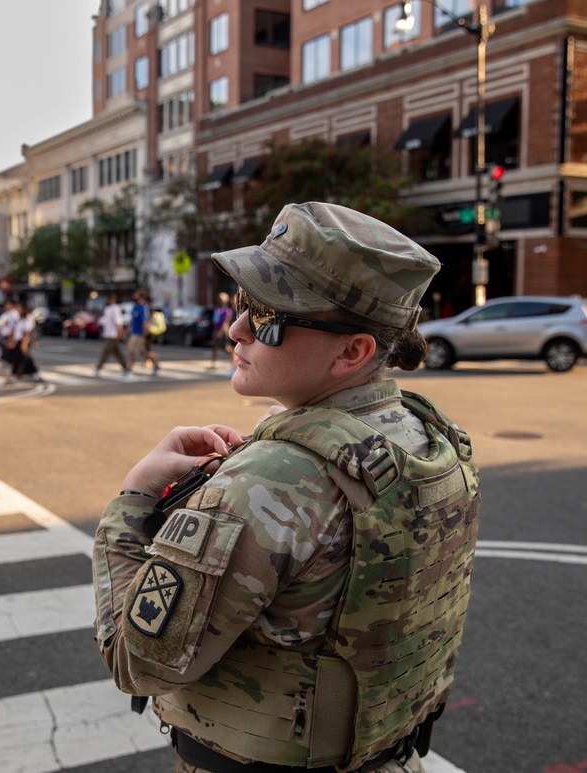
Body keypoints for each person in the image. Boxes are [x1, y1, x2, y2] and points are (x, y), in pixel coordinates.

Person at [92, 202, 481, 773]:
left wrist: (131, 503)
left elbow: (137, 662)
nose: (236, 328)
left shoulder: (275, 480)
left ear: (353, 351)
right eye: (244, 303)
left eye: (269, 316)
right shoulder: (429, 437)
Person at [95, 293, 130, 378]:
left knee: (106, 351)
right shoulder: (107, 309)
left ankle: (98, 367)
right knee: (117, 353)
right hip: (108, 334)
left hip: (113, 335)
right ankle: (126, 368)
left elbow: (119, 322)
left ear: (111, 299)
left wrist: (119, 333)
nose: (106, 301)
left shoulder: (115, 308)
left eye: (108, 299)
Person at [126, 289, 150, 374]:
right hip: (134, 332)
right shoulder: (134, 306)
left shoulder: (143, 308)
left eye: (136, 295)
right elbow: (132, 320)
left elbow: (144, 322)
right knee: (141, 352)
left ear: (140, 296)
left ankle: (129, 368)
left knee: (134, 351)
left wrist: (144, 335)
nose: (134, 296)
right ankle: (154, 363)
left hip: (139, 333)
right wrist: (127, 330)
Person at [209, 291, 234, 370]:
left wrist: (220, 332)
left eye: (221, 299)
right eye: (219, 299)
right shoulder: (217, 308)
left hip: (223, 330)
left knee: (227, 347)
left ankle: (233, 362)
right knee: (215, 347)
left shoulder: (227, 310)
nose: (220, 301)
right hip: (216, 329)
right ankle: (214, 363)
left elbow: (226, 322)